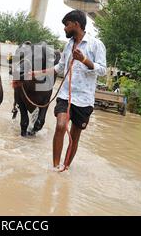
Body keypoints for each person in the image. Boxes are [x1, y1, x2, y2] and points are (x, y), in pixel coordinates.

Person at [32, 10, 106, 171]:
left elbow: (102, 70)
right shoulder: (68, 45)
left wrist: (85, 60)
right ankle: (55, 166)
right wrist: (37, 73)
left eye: (67, 25)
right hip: (65, 95)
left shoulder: (96, 44)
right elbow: (60, 67)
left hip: (84, 99)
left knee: (75, 135)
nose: (65, 29)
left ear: (76, 25)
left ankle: (65, 168)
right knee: (60, 126)